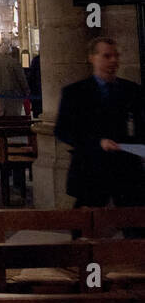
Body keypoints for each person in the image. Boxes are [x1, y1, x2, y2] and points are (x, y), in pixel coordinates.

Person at [54, 37, 145, 213]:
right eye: (106, 56)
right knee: (86, 229)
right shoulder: (76, 92)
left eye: (116, 56)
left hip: (126, 169)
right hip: (91, 168)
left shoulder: (131, 90)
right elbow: (63, 130)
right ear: (92, 58)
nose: (113, 61)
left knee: (135, 227)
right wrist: (97, 143)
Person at [0, 42, 30, 116]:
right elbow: (21, 79)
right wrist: (26, 91)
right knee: (14, 118)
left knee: (1, 117)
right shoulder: (14, 62)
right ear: (10, 52)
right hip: (14, 95)